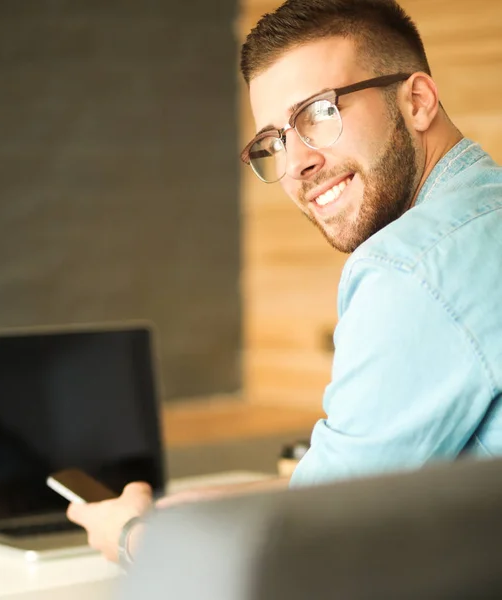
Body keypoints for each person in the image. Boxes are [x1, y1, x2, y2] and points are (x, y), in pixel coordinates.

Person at [68, 0, 502, 564]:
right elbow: (355, 483)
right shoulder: (481, 221)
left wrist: (135, 539)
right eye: (274, 141)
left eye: (318, 114)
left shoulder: (411, 270)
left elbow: (317, 551)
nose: (296, 164)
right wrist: (201, 510)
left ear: (417, 100)